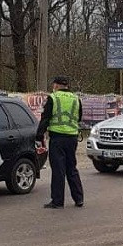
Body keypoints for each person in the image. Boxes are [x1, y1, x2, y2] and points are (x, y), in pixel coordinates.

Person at [37, 76, 84, 209]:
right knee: (72, 168)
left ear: (56, 85)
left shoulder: (53, 98)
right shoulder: (76, 98)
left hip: (57, 138)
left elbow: (45, 118)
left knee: (58, 170)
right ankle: (79, 198)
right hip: (72, 138)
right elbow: (79, 117)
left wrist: (39, 135)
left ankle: (57, 201)